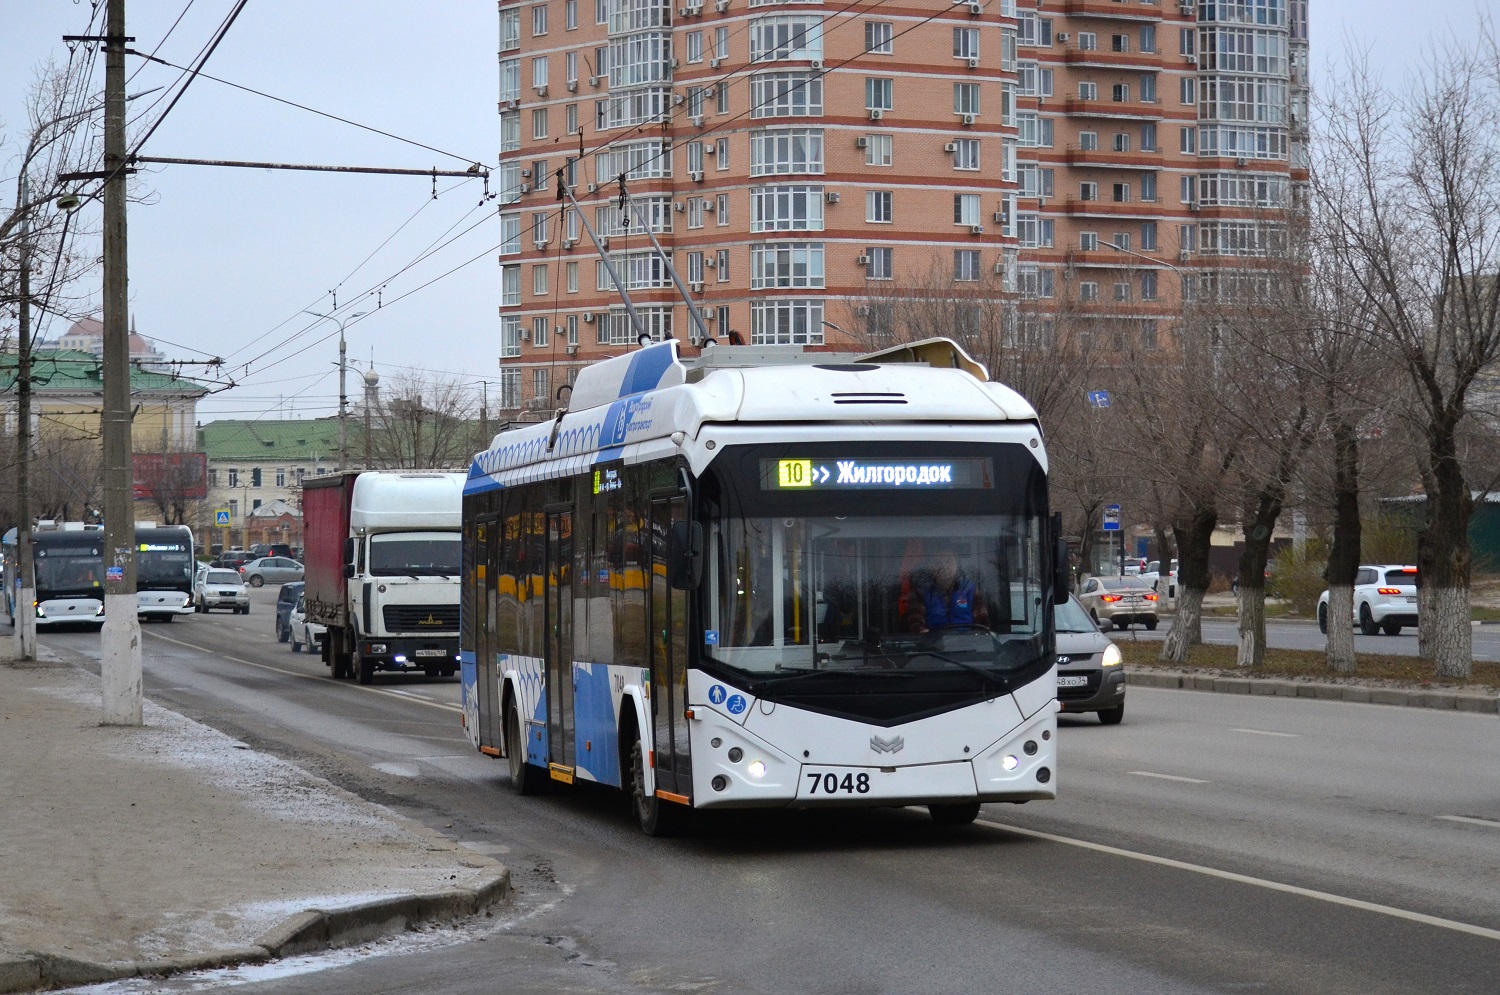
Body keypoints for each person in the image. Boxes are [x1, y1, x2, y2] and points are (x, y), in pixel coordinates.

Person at [906, 546, 988, 633]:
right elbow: (914, 620)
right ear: (930, 567)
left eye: (948, 561)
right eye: (937, 563)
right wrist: (922, 632)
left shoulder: (970, 589)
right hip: (933, 644)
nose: (944, 567)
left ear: (957, 564)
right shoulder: (922, 591)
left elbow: (983, 624)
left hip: (966, 644)